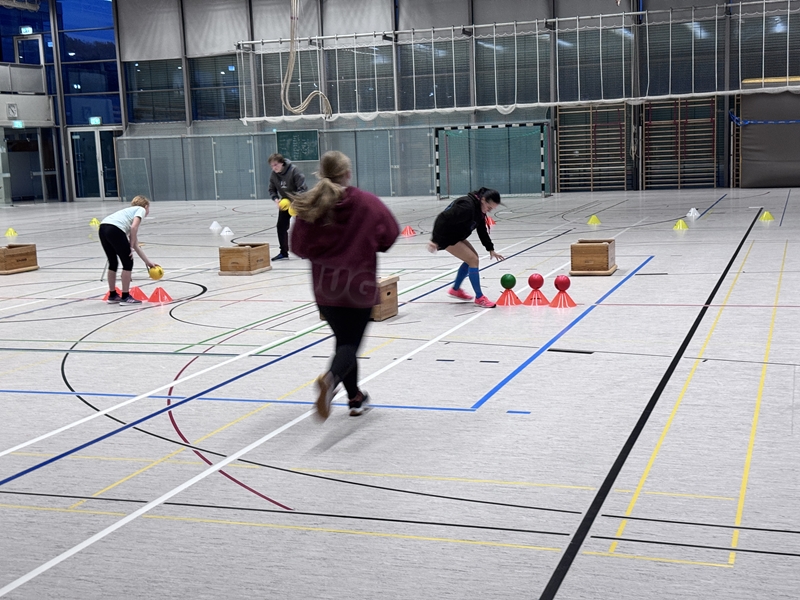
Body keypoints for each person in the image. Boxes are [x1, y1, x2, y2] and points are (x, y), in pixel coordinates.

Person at [290, 151, 399, 419]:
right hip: (358, 288)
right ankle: (330, 379)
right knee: (350, 345)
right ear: (347, 174)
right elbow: (390, 234)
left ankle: (355, 398)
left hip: (325, 290)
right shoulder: (366, 202)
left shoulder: (312, 205)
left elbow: (298, 246)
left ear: (321, 173)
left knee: (344, 343)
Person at [427, 187, 505, 308]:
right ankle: (479, 297)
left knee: (472, 259)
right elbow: (442, 217)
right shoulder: (466, 207)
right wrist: (434, 240)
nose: (489, 211)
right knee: (473, 260)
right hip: (446, 236)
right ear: (483, 200)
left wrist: (490, 249)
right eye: (489, 208)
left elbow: (482, 230)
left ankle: (455, 289)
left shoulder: (479, 209)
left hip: (456, 235)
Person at [99, 195, 158, 305]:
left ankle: (112, 295)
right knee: (128, 262)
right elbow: (134, 228)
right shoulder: (140, 210)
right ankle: (125, 297)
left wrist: (148, 262)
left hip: (103, 228)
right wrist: (130, 247)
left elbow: (136, 244)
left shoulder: (127, 215)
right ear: (146, 206)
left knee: (113, 262)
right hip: (114, 229)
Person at [268, 152, 307, 261]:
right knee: (281, 226)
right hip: (285, 202)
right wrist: (276, 199)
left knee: (300, 226)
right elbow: (271, 189)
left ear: (282, 163)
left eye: (276, 165)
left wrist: (296, 201)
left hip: (298, 202)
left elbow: (303, 188)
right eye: (272, 166)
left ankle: (304, 251)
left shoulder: (294, 170)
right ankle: (283, 252)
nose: (274, 167)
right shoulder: (273, 174)